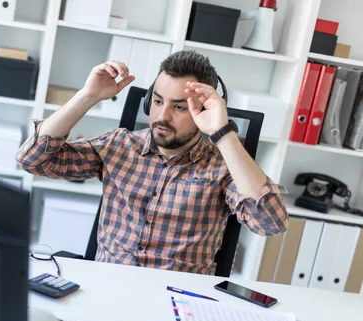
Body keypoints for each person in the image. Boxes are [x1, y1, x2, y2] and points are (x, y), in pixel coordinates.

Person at [16, 50, 288, 274]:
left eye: (179, 107)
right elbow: (33, 160)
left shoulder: (223, 169)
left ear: (204, 109)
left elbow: (270, 223)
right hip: (109, 288)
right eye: (157, 101)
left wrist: (222, 133)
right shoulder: (120, 145)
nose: (162, 116)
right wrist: (88, 96)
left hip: (175, 302)